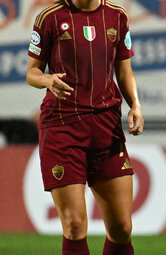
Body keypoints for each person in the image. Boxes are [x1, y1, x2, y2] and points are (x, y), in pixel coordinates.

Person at [26, 0, 143, 254]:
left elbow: (124, 72)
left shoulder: (117, 16)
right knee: (75, 224)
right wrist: (46, 79)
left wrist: (135, 104)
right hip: (62, 125)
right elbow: (32, 72)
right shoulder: (49, 17)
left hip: (106, 126)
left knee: (122, 228)